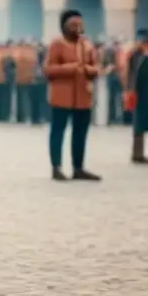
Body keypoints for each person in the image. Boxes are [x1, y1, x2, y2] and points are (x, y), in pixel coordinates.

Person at [45, 10, 101, 181]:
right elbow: (48, 69)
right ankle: (57, 167)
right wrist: (71, 67)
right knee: (58, 131)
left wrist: (87, 69)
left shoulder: (87, 45)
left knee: (81, 133)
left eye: (79, 25)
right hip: (62, 97)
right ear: (64, 27)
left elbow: (95, 68)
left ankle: (79, 168)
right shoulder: (57, 44)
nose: (77, 28)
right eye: (73, 25)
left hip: (83, 97)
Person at [126, 29, 148, 164]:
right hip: (139, 94)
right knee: (139, 125)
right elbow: (131, 74)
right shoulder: (135, 55)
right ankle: (137, 154)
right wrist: (129, 90)